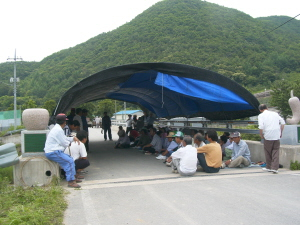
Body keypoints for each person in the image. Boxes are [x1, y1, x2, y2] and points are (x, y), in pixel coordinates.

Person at [44, 113, 82, 188]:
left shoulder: (57, 128)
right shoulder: (58, 130)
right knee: (69, 161)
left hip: (54, 151)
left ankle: (73, 177)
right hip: (53, 152)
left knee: (70, 159)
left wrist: (72, 138)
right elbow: (64, 143)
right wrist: (70, 142)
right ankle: (71, 181)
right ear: (65, 122)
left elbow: (64, 139)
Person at [258, 104, 285, 174]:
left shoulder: (261, 116)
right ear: (267, 108)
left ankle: (269, 167)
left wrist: (261, 135)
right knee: (275, 151)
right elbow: (282, 122)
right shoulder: (275, 113)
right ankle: (275, 168)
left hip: (268, 135)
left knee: (268, 152)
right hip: (276, 135)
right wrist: (281, 132)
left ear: (260, 110)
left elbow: (261, 127)